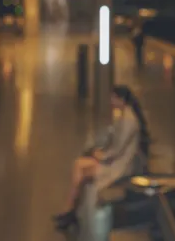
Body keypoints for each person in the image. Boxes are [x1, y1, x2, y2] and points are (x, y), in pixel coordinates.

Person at [53, 85, 151, 230]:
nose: (111, 101)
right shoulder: (124, 115)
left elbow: (118, 150)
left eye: (113, 98)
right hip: (116, 160)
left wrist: (101, 156)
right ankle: (70, 211)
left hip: (120, 166)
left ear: (121, 100)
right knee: (79, 168)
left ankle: (70, 211)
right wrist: (99, 151)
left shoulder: (129, 120)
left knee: (80, 170)